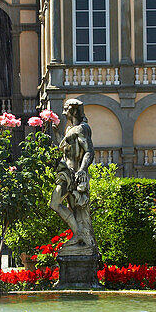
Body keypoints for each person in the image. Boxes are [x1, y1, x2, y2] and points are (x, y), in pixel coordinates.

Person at [49, 98, 96, 248]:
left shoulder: (82, 128)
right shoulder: (70, 129)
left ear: (74, 111)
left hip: (74, 174)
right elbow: (64, 147)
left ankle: (80, 235)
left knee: (62, 205)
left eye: (66, 109)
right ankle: (79, 234)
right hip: (66, 172)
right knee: (61, 205)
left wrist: (82, 169)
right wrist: (56, 133)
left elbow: (89, 151)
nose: (63, 113)